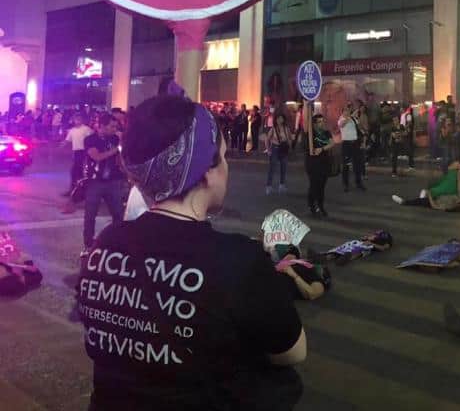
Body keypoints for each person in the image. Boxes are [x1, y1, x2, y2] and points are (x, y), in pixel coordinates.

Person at [79, 95, 306, 410]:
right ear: (204, 172)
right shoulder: (237, 260)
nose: (226, 169)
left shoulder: (105, 243)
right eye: (223, 158)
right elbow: (292, 351)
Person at [81, 114, 126, 258]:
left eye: (116, 126)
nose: (115, 129)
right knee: (90, 215)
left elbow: (120, 159)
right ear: (101, 126)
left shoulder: (114, 139)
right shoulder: (90, 140)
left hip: (114, 181)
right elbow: (97, 157)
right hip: (95, 182)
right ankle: (88, 245)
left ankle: (117, 243)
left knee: (118, 214)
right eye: (112, 126)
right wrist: (118, 148)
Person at [305, 112, 335, 217]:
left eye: (322, 121)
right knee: (314, 185)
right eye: (319, 122)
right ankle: (312, 205)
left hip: (324, 162)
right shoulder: (309, 134)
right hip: (312, 163)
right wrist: (312, 150)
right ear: (314, 124)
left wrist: (322, 149)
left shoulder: (326, 133)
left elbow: (332, 143)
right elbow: (306, 148)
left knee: (322, 186)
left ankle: (321, 206)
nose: (321, 124)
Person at [63, 114, 93, 197]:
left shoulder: (86, 129)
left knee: (77, 171)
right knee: (76, 171)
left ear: (82, 120)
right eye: (75, 119)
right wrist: (62, 144)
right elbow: (67, 140)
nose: (77, 121)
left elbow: (91, 139)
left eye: (79, 119)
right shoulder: (72, 130)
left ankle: (79, 190)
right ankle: (75, 190)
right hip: (76, 152)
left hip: (84, 151)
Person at [338, 103, 366, 192]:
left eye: (348, 110)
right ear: (342, 112)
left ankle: (358, 183)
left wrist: (363, 138)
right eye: (345, 110)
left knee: (357, 164)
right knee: (346, 165)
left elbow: (359, 128)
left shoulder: (353, 119)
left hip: (355, 143)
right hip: (346, 144)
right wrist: (350, 116)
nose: (347, 112)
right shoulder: (341, 119)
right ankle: (345, 184)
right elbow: (342, 125)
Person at [265, 113, 290, 195]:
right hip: (275, 149)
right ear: (276, 120)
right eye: (278, 118)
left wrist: (288, 144)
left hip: (283, 150)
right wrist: (268, 150)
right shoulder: (273, 129)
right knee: (272, 168)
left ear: (283, 120)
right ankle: (269, 187)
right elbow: (267, 139)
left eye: (281, 118)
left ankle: (282, 185)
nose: (280, 120)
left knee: (284, 167)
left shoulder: (286, 129)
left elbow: (289, 138)